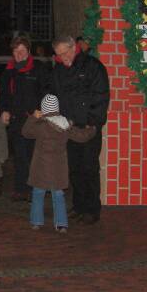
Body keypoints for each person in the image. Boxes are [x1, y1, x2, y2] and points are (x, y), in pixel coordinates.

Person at [49, 35, 109, 224]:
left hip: (88, 127)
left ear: (74, 47)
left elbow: (101, 96)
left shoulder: (93, 66)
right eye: (59, 55)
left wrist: (92, 122)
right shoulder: (58, 70)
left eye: (65, 53)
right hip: (68, 127)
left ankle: (92, 209)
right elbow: (54, 95)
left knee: (89, 167)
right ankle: (79, 205)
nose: (63, 57)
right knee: (74, 168)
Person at [22, 94, 95, 233]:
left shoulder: (40, 126)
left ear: (43, 109)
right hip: (58, 168)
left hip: (41, 167)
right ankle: (61, 224)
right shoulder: (65, 125)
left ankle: (36, 222)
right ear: (57, 108)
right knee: (58, 195)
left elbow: (25, 132)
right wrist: (92, 129)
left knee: (38, 193)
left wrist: (33, 117)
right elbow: (81, 136)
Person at [0, 34, 49, 202]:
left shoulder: (38, 68)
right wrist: (4, 110)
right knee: (20, 156)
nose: (19, 54)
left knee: (35, 155)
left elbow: (46, 91)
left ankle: (37, 189)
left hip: (34, 119)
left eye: (22, 50)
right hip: (16, 120)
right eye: (15, 51)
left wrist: (40, 110)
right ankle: (21, 188)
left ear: (28, 50)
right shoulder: (9, 71)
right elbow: (4, 94)